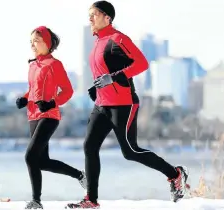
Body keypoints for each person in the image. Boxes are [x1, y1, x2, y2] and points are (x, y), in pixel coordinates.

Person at [66, 1, 190, 209]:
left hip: (123, 103)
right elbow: (104, 72)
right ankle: (91, 200)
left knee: (130, 151)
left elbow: (141, 63)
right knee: (90, 146)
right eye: (89, 15)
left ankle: (175, 174)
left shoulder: (118, 39)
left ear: (108, 18)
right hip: (101, 104)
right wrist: (97, 88)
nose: (90, 19)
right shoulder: (97, 42)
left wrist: (113, 79)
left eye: (94, 15)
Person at [15, 26, 87, 209]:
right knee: (42, 161)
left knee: (30, 157)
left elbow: (68, 91)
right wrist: (24, 98)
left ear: (47, 43)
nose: (33, 44)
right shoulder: (32, 65)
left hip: (49, 115)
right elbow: (33, 90)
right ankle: (80, 175)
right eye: (31, 41)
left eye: (36, 41)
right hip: (33, 115)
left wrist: (51, 103)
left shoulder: (55, 65)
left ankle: (36, 201)